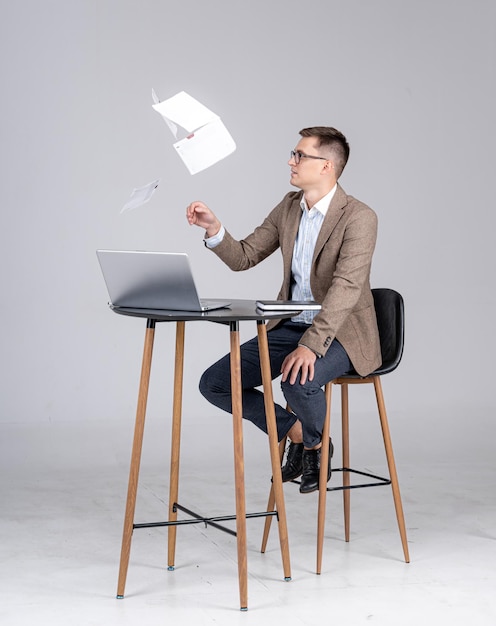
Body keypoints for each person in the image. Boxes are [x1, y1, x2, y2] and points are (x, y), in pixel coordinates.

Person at [186, 126, 381, 494]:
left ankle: (315, 451)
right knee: (214, 383)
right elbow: (244, 256)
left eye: (299, 155)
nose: (291, 161)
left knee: (298, 381)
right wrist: (215, 229)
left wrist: (311, 345)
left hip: (342, 333)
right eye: (293, 154)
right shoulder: (289, 207)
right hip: (290, 325)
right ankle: (302, 434)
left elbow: (347, 287)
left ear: (326, 166)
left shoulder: (359, 217)